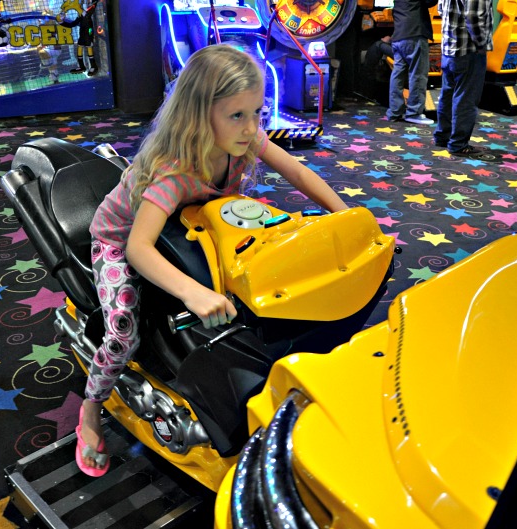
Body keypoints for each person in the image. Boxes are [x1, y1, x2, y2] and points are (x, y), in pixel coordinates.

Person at [76, 44, 349, 476]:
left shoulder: (244, 139)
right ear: (199, 115)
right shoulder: (174, 171)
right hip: (119, 239)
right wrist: (193, 293)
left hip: (191, 226)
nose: (252, 127)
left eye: (257, 112)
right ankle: (90, 411)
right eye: (237, 115)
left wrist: (347, 218)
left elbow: (298, 172)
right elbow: (137, 249)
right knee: (123, 331)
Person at [433, 0, 494, 155]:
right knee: (466, 99)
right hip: (468, 51)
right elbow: (473, 18)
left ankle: (442, 137)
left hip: (449, 48)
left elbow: (440, 9)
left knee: (447, 95)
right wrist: (481, 44)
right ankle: (458, 144)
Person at [386, 0, 438, 125]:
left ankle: (394, 111)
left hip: (399, 35)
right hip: (414, 34)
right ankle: (414, 113)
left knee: (397, 74)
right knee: (418, 74)